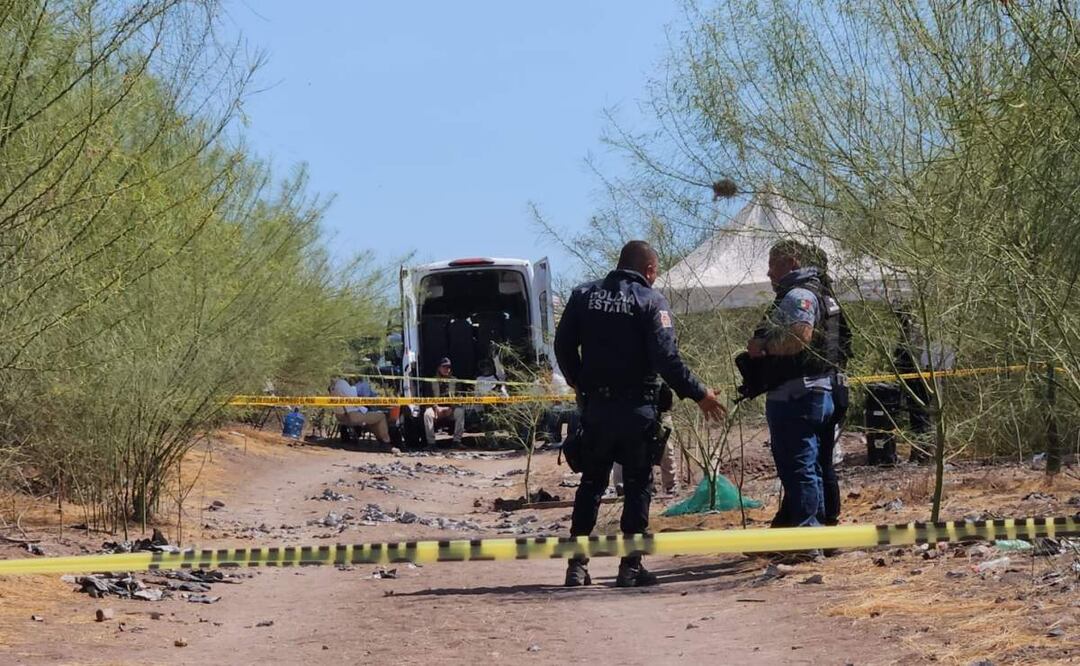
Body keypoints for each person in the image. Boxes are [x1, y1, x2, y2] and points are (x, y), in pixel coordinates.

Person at [555, 240, 725, 588]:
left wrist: (578, 382)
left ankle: (576, 566)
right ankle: (630, 568)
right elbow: (666, 358)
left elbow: (562, 345)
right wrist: (700, 394)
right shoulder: (650, 301)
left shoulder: (583, 295)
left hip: (597, 408)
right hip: (637, 410)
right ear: (649, 270)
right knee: (637, 485)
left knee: (591, 484)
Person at [746, 240, 839, 553]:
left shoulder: (799, 294)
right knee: (813, 466)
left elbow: (800, 337)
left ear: (790, 262)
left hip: (797, 395)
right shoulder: (820, 290)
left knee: (799, 468)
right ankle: (818, 535)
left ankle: (807, 538)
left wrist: (763, 348)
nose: (768, 272)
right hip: (818, 391)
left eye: (772, 265)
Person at [802, 244, 852, 526]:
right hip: (837, 383)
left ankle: (822, 521)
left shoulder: (813, 300)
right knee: (824, 460)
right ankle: (829, 517)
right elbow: (847, 344)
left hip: (821, 386)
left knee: (814, 461)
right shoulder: (832, 301)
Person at [329, 377, 392, 446]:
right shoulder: (342, 383)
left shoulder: (334, 386)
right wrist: (363, 407)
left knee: (373, 418)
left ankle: (382, 440)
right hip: (353, 415)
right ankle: (386, 442)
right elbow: (352, 397)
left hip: (342, 416)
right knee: (381, 416)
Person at [422, 357, 465, 447]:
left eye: (448, 367)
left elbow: (459, 396)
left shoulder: (455, 381)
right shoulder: (431, 381)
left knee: (460, 412)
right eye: (444, 367)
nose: (447, 369)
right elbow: (428, 397)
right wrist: (435, 407)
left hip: (451, 409)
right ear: (439, 368)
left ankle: (457, 441)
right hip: (436, 409)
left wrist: (452, 407)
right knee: (427, 414)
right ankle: (431, 443)